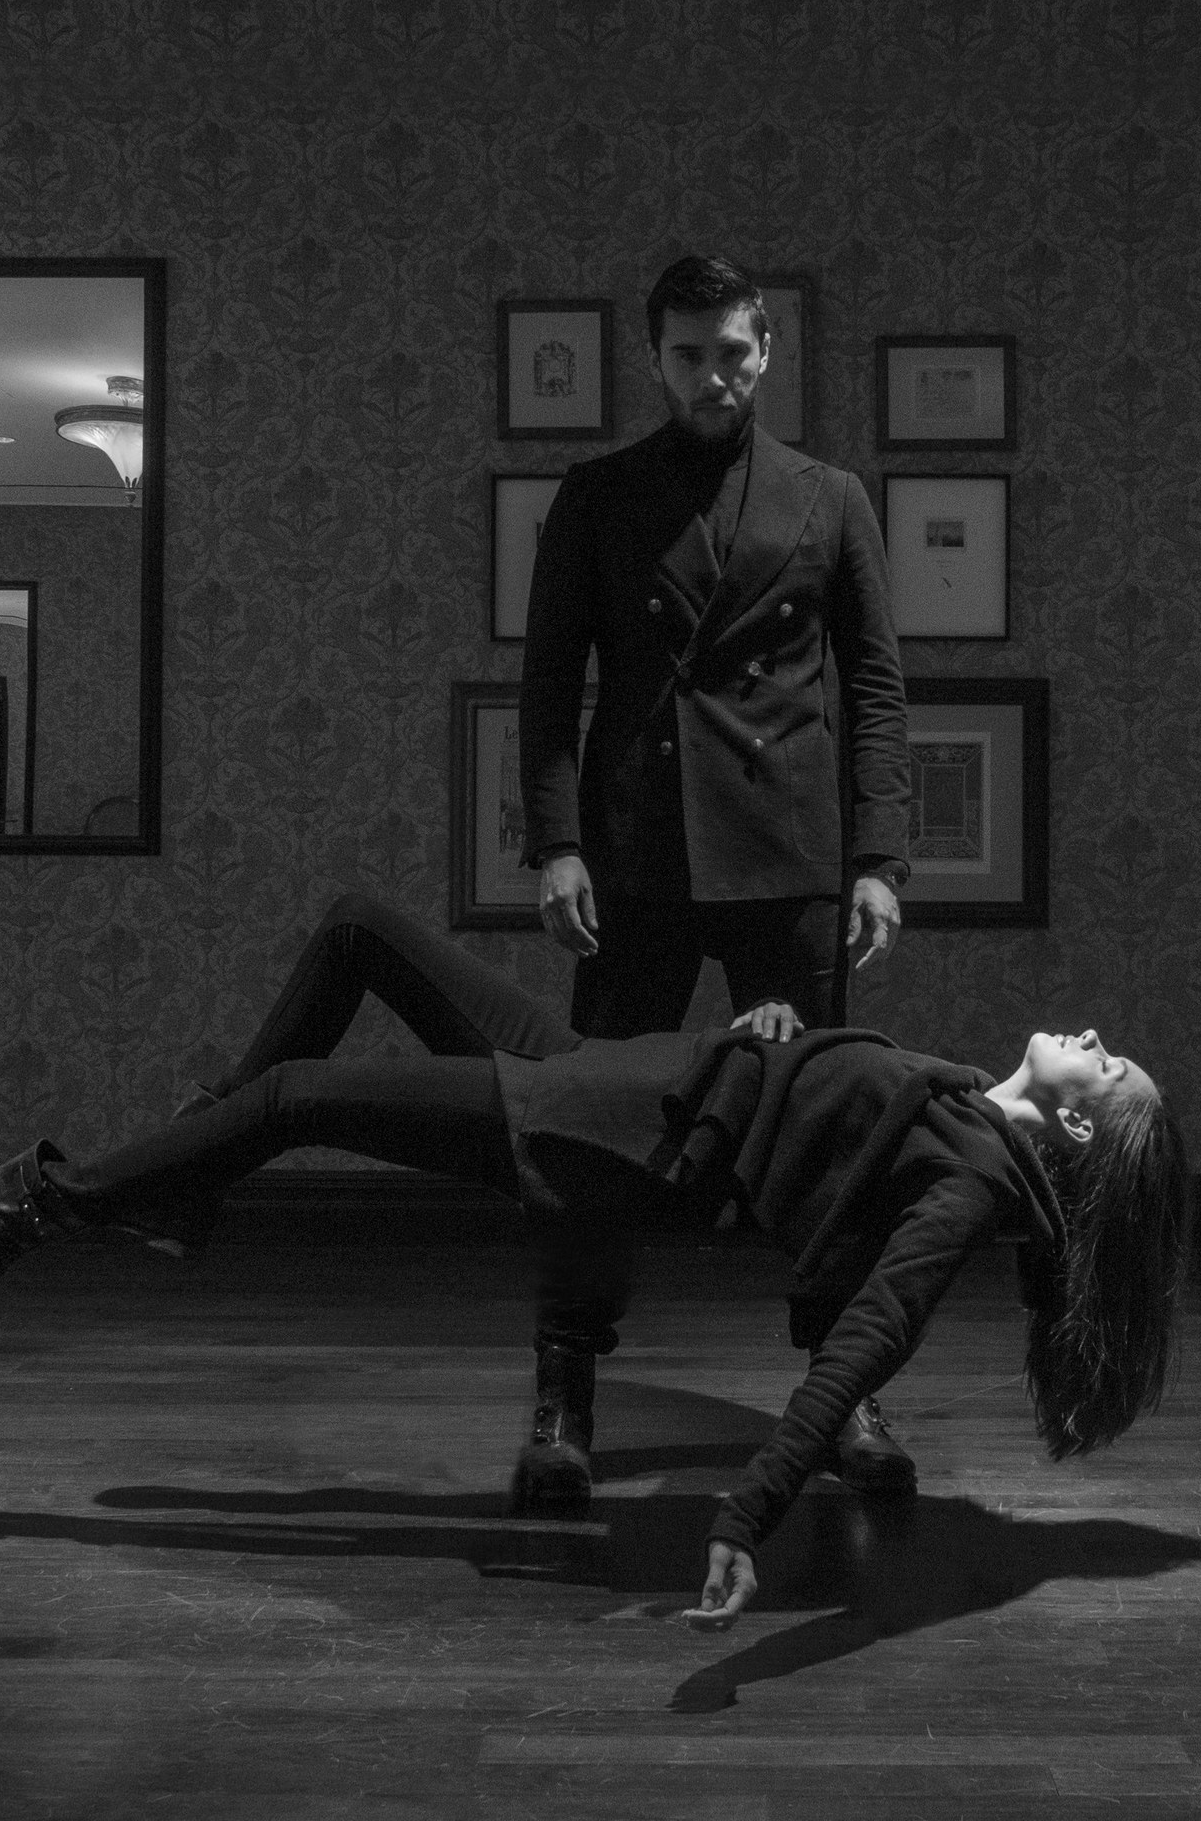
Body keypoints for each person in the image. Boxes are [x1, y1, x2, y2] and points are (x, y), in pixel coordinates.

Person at [0, 894, 1192, 1628]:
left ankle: (4, 1219)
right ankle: (182, 1189)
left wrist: (744, 1517)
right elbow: (810, 1121)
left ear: (1078, 1124)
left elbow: (868, 1339)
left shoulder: (970, 1178)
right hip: (613, 1070)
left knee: (288, 1105)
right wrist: (772, 1045)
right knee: (357, 933)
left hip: (603, 1127)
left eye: (1107, 1063)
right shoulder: (969, 1107)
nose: (1091, 1033)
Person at [518, 253, 918, 1491]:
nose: (712, 375)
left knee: (827, 1140)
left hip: (788, 850)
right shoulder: (596, 495)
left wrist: (880, 859)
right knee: (590, 1133)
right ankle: (564, 1403)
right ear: (656, 359)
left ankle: (842, 1401)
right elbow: (545, 689)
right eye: (688, 354)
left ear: (766, 351)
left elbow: (877, 689)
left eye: (733, 352)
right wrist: (557, 841)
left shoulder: (831, 496)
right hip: (635, 850)